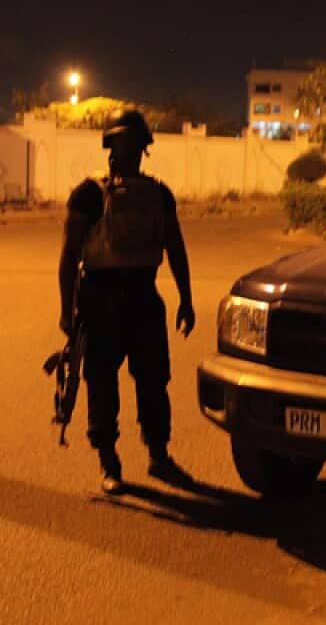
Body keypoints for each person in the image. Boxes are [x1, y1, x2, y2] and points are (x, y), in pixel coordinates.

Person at [58, 109, 195, 494]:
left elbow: (175, 247)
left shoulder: (158, 194)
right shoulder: (88, 194)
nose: (129, 151)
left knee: (154, 381)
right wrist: (66, 311)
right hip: (99, 300)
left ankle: (158, 455)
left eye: (136, 145)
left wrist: (186, 298)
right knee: (102, 385)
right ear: (110, 146)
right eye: (123, 144)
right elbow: (69, 255)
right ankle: (109, 461)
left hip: (144, 298)